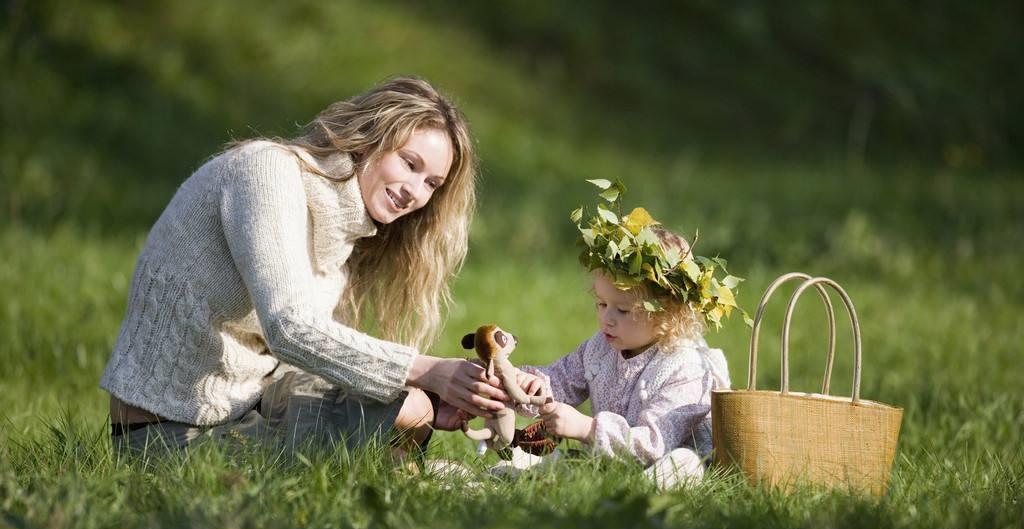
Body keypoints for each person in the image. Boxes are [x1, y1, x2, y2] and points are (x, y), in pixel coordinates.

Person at [100, 76, 509, 457]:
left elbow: (305, 357)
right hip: (167, 435)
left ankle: (413, 476)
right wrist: (426, 371)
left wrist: (438, 397)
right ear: (370, 140)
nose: (415, 192)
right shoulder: (267, 171)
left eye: (432, 184)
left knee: (412, 409)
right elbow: (289, 328)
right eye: (410, 163)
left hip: (249, 404)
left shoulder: (345, 227)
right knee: (406, 409)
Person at [515, 187, 739, 488]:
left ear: (667, 313)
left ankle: (639, 493)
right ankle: (535, 472)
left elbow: (655, 442)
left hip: (666, 459)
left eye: (623, 310)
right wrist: (529, 385)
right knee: (552, 458)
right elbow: (562, 379)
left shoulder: (687, 367)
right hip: (612, 458)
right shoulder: (600, 348)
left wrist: (588, 429)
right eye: (601, 304)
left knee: (684, 463)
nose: (607, 318)